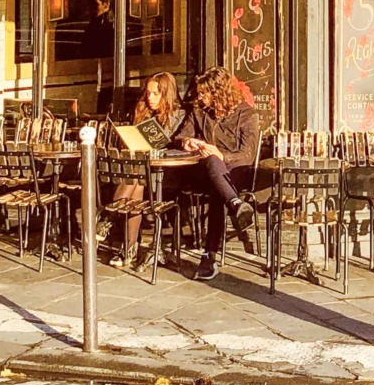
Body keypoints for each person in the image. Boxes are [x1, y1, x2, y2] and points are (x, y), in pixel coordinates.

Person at [179, 67, 260, 281]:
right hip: (205, 173)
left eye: (204, 93)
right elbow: (181, 135)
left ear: (219, 93)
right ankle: (235, 205)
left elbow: (247, 154)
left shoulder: (246, 115)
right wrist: (187, 142)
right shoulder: (199, 112)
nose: (200, 97)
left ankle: (209, 256)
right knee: (213, 169)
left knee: (217, 186)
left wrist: (221, 155)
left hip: (237, 171)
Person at [108, 72, 184, 270]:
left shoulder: (180, 116)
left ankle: (109, 218)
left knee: (136, 178)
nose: (149, 98)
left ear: (166, 94)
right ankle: (130, 247)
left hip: (166, 174)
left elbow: (174, 146)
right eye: (148, 93)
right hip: (143, 173)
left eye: (155, 94)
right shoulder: (143, 112)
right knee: (137, 184)